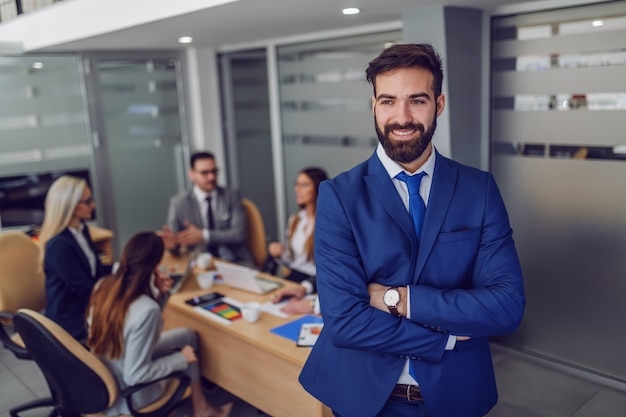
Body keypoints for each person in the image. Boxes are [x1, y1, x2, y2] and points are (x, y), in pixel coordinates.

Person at [298, 43, 525, 417]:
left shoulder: (478, 190)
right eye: (388, 101)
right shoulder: (338, 195)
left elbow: (505, 306)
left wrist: (397, 299)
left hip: (454, 396)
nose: (401, 117)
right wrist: (446, 339)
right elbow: (345, 322)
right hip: (364, 396)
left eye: (416, 100)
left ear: (439, 104)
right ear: (373, 106)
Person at [87, 231, 232, 417]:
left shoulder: (103, 285)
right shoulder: (146, 309)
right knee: (185, 352)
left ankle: (202, 408)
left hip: (110, 374)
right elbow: (135, 376)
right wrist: (181, 359)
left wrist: (161, 295)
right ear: (155, 265)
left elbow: (137, 322)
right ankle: (178, 408)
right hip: (132, 394)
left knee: (187, 336)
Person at [39, 175, 110, 342]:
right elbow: (84, 289)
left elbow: (97, 271)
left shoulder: (82, 230)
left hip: (86, 307)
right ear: (70, 205)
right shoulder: (59, 245)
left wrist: (124, 268)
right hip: (71, 320)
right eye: (88, 201)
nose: (93, 205)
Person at [159, 151, 253, 265]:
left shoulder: (232, 195)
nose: (211, 177)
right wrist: (172, 245)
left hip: (234, 260)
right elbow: (175, 245)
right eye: (205, 173)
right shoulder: (179, 203)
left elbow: (239, 234)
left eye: (214, 171)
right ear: (192, 174)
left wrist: (204, 235)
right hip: (200, 264)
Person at [269, 167, 328, 315]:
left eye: (304, 185)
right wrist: (279, 255)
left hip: (315, 283)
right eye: (297, 184)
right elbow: (292, 260)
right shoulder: (296, 219)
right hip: (294, 279)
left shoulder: (327, 222)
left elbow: (327, 267)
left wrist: (305, 287)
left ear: (318, 187)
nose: (297, 189)